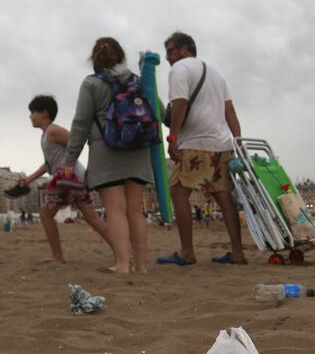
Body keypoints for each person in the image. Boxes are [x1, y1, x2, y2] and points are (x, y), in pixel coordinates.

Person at [59, 38, 153, 274]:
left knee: (115, 210)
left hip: (106, 150)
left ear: (94, 59)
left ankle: (122, 264)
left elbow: (80, 123)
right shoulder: (138, 81)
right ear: (121, 56)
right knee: (135, 210)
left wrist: (70, 159)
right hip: (138, 150)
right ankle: (141, 265)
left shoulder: (91, 84)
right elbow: (157, 110)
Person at [154, 32, 247, 266]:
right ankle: (238, 252)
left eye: (171, 51)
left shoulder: (180, 69)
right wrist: (238, 142)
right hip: (222, 144)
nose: (168, 58)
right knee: (224, 196)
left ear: (185, 49)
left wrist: (173, 137)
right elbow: (230, 112)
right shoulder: (216, 73)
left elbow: (180, 103)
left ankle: (187, 252)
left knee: (178, 192)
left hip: (195, 143)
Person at [20, 94, 114, 263]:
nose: (30, 116)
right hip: (77, 179)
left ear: (44, 113)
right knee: (92, 218)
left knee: (46, 215)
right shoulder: (45, 135)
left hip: (68, 180)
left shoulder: (53, 131)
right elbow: (49, 164)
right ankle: (121, 251)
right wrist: (30, 179)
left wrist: (68, 164)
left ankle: (58, 256)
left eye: (32, 112)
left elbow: (75, 141)